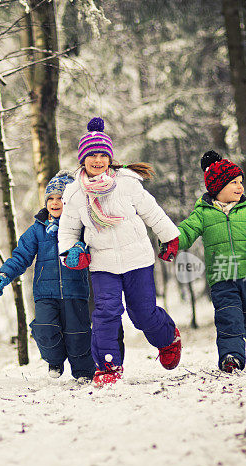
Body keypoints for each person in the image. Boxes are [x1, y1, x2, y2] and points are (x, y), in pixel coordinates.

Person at [58, 117, 182, 386]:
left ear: (110, 157)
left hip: (137, 259)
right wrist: (69, 253)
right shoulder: (75, 193)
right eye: (92, 155)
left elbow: (151, 211)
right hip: (102, 263)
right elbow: (67, 230)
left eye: (103, 154)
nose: (98, 159)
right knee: (106, 311)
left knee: (142, 313)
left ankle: (167, 337)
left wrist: (169, 236)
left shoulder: (126, 182)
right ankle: (108, 366)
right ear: (83, 159)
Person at [0, 173, 96, 381]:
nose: (55, 203)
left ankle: (84, 372)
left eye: (60, 198)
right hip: (44, 293)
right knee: (45, 327)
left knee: (78, 334)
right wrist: (5, 273)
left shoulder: (81, 226)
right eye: (51, 198)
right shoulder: (37, 230)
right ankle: (54, 360)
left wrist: (81, 248)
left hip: (75, 290)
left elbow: (92, 245)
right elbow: (21, 256)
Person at [175, 150, 246, 372]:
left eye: (241, 182)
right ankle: (231, 356)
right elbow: (186, 231)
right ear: (218, 187)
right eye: (234, 183)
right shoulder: (203, 213)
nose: (240, 187)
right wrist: (171, 242)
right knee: (228, 317)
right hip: (221, 278)